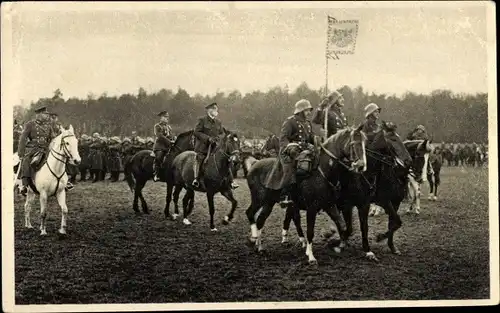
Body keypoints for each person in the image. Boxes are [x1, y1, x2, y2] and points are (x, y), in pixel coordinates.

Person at [263, 99, 315, 206]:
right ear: (300, 111)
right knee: (289, 170)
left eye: (309, 110)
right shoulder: (290, 121)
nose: (309, 112)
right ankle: (284, 195)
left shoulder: (308, 124)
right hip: (288, 152)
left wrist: (317, 142)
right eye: (307, 110)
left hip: (303, 151)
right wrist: (290, 147)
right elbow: (283, 139)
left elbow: (311, 138)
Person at [192, 102, 239, 189]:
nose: (216, 111)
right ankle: (196, 179)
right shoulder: (202, 120)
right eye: (215, 109)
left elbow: (222, 133)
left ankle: (231, 181)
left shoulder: (218, 122)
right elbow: (196, 132)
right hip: (203, 147)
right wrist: (208, 138)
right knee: (200, 159)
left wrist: (218, 138)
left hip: (215, 147)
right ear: (209, 110)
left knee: (225, 159)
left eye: (216, 109)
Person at [17, 106, 55, 196]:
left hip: (45, 149)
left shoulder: (48, 125)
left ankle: (63, 182)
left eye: (47, 114)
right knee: (27, 161)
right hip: (34, 148)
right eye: (45, 114)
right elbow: (23, 138)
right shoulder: (30, 124)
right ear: (39, 115)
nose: (47, 116)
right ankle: (24, 185)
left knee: (58, 159)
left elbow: (52, 138)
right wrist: (21, 152)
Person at [153, 110, 175, 182]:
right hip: (160, 146)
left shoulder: (169, 127)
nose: (167, 118)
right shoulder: (157, 126)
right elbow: (160, 136)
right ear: (161, 118)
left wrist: (174, 139)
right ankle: (156, 174)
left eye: (167, 117)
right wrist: (169, 141)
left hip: (168, 146)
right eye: (165, 117)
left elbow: (171, 135)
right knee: (159, 157)